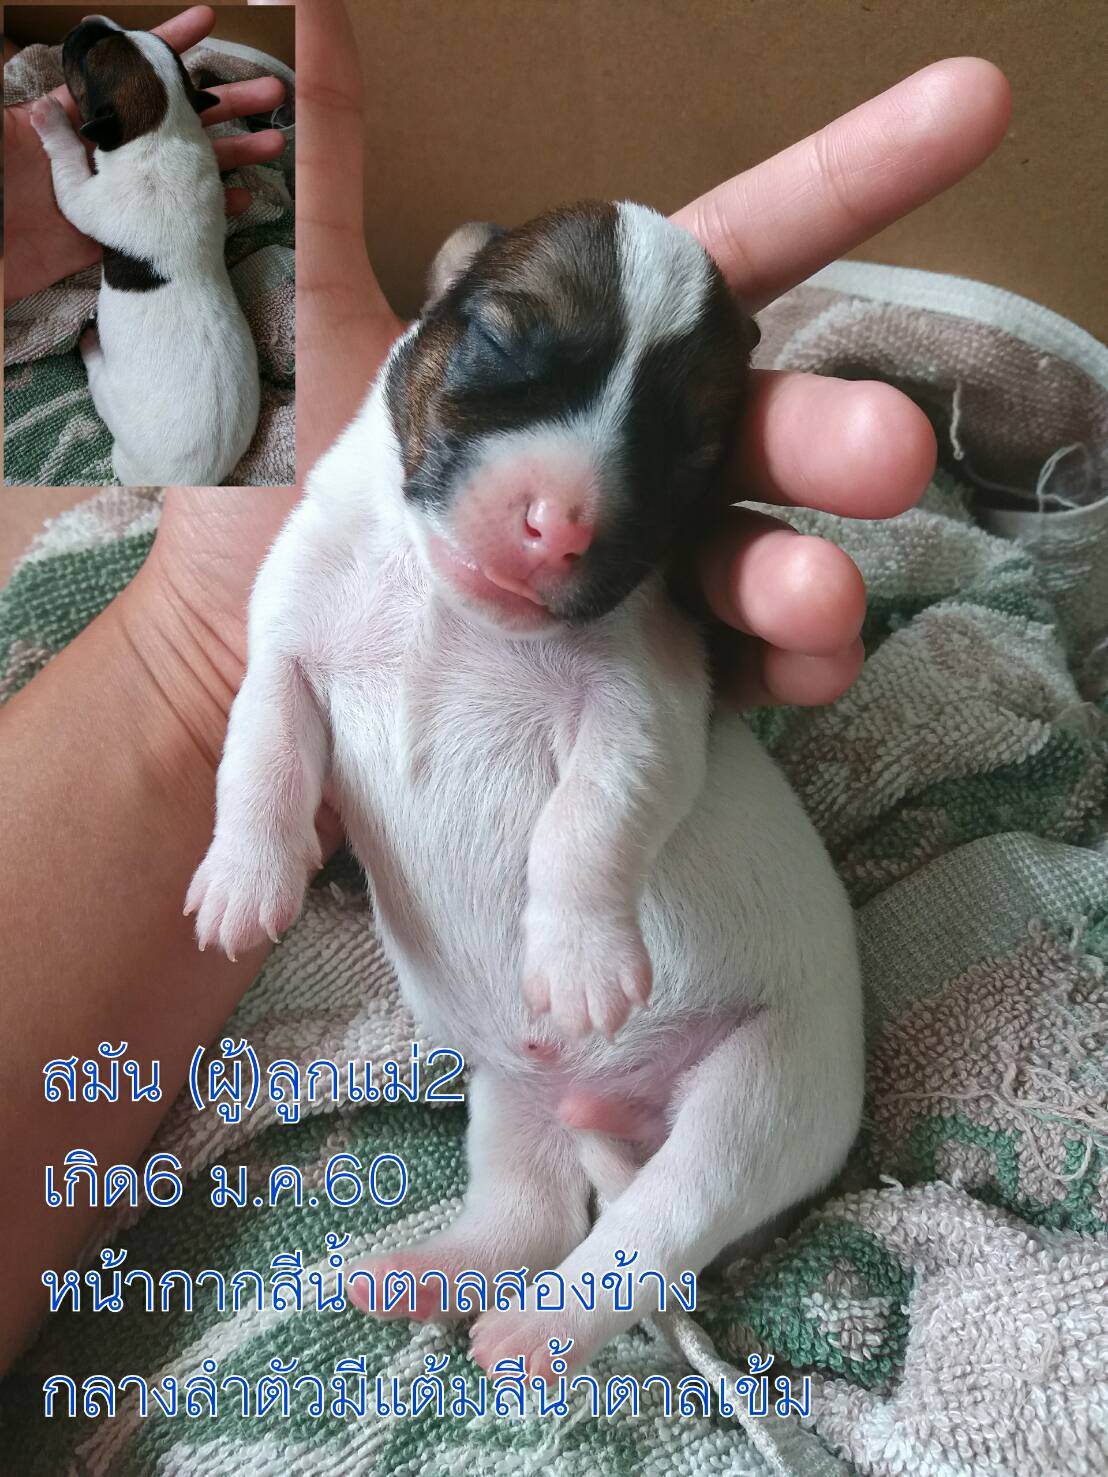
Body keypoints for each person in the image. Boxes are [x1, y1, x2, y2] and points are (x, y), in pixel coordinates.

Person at [0, 0, 1011, 1374]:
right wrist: (253, 828)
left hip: (743, 1017)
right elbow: (275, 667)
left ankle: (611, 1274)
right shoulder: (339, 521)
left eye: (659, 455)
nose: (566, 513)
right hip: (524, 1047)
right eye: (505, 354)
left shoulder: (625, 621)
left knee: (770, 1077)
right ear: (436, 314)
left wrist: (583, 900)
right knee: (515, 1106)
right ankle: (511, 1223)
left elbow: (646, 731)